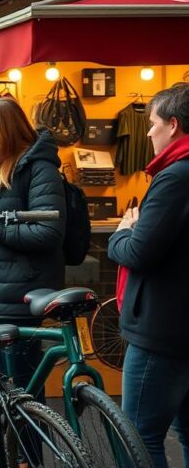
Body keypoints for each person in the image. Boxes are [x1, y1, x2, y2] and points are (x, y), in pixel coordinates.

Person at [0, 98, 65, 392]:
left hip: (20, 289)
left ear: (6, 131)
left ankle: (28, 438)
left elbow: (47, 233)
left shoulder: (39, 170)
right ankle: (0, 434)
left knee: (21, 385)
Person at [107, 84, 189, 467]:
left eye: (152, 124)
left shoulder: (174, 177)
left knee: (138, 438)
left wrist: (123, 231)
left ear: (173, 125)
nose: (147, 133)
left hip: (162, 330)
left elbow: (140, 252)